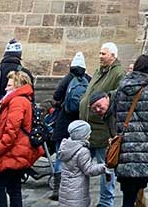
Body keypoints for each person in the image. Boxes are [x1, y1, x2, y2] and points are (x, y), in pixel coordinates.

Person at [112, 54, 148, 207]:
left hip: (125, 148)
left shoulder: (122, 86)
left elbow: (114, 111)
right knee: (134, 192)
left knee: (128, 194)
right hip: (143, 150)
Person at [79, 42, 124, 207]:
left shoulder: (118, 73)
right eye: (99, 53)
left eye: (103, 54)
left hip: (102, 129)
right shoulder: (99, 71)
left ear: (113, 56)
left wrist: (103, 102)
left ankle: (106, 202)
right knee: (81, 167)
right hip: (87, 129)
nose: (100, 56)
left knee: (106, 168)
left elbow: (119, 96)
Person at [0, 70, 43, 206]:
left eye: (9, 85)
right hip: (19, 150)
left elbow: (11, 129)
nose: (6, 88)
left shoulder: (17, 101)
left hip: (12, 151)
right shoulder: (23, 99)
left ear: (17, 85)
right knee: (14, 188)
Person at [49, 51, 90, 201]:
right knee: (80, 156)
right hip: (80, 124)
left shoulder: (68, 78)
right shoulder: (88, 79)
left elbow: (56, 96)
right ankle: (77, 187)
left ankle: (57, 188)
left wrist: (59, 103)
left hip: (64, 122)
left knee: (61, 155)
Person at [58, 119, 106, 207]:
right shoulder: (82, 151)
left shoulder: (66, 147)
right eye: (88, 134)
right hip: (77, 192)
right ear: (83, 135)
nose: (90, 135)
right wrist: (104, 167)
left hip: (65, 191)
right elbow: (88, 170)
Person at [0, 39, 34, 115]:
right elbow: (31, 98)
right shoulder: (25, 73)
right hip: (17, 114)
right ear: (19, 55)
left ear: (5, 54)